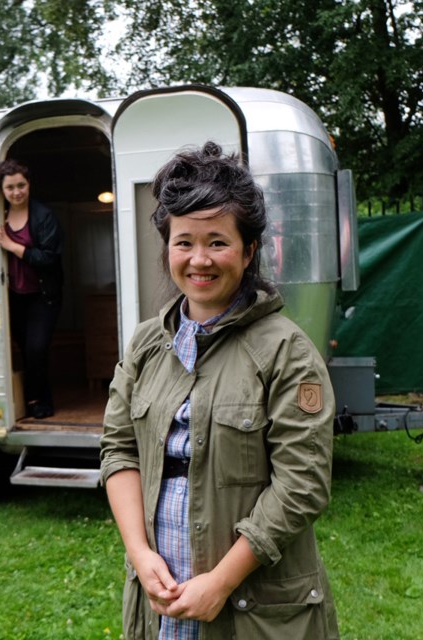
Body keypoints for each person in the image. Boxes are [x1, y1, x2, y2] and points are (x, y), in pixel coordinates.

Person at [100, 141, 339, 639]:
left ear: (249, 250)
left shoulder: (285, 352)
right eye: (184, 242)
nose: (199, 259)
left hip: (252, 606)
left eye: (217, 241)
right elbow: (118, 449)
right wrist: (140, 555)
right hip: (159, 597)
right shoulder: (147, 343)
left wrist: (220, 583)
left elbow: (302, 485)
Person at [0, 158, 65, 419]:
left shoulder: (43, 216)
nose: (16, 192)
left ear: (29, 184)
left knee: (37, 348)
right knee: (24, 350)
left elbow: (49, 257)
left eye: (21, 185)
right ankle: (30, 400)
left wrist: (11, 246)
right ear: (2, 190)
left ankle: (43, 402)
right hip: (14, 296)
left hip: (43, 296)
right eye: (10, 187)